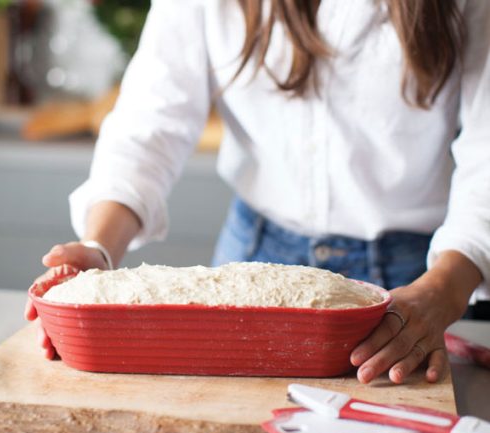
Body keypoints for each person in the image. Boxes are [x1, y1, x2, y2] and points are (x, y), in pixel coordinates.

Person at [25, 0, 490, 385]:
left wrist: (442, 293)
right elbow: (148, 128)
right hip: (253, 258)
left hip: (417, 281)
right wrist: (98, 246)